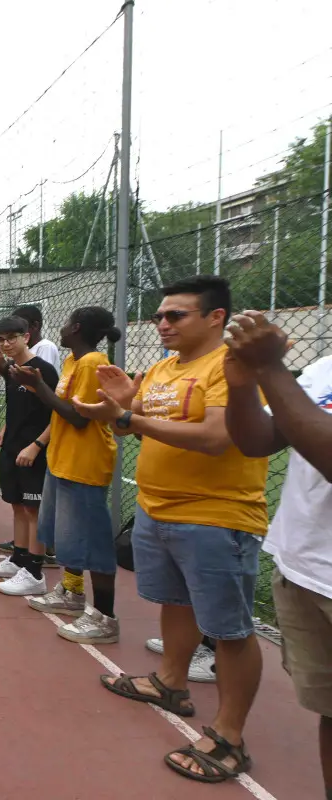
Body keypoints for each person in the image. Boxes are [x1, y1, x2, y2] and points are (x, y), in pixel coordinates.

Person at [74, 276, 268, 783]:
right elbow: (131, 420)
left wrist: (128, 418)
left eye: (175, 315)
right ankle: (170, 682)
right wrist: (116, 409)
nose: (162, 323)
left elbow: (215, 437)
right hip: (157, 509)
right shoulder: (163, 368)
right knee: (175, 603)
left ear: (216, 317)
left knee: (229, 630)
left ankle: (229, 735)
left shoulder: (230, 367)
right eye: (160, 315)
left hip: (216, 516)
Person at [222, 310, 332, 797]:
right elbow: (257, 440)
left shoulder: (290, 368)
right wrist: (243, 385)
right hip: (305, 570)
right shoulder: (326, 367)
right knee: (330, 713)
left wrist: (270, 367)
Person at [13, 306, 120, 643]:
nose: (59, 328)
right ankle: (72, 592)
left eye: (64, 323)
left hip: (84, 464)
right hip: (63, 459)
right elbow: (61, 410)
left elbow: (78, 417)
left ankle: (104, 617)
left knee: (93, 543)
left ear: (76, 328)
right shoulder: (74, 361)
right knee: (68, 538)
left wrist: (39, 386)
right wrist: (34, 386)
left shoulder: (92, 363)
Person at [0, 316, 57, 595]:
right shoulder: (12, 370)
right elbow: (19, 407)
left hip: (33, 450)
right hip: (13, 446)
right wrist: (6, 429)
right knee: (17, 505)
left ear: (26, 337)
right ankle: (19, 559)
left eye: (11, 338)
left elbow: (57, 414)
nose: (5, 344)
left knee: (33, 510)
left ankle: (35, 572)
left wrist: (36, 445)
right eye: (1, 340)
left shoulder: (42, 370)